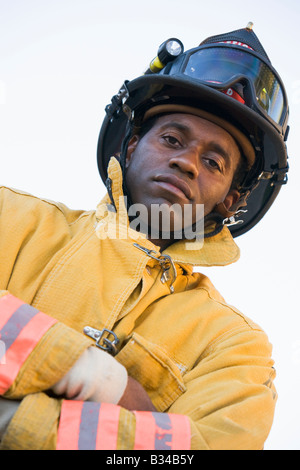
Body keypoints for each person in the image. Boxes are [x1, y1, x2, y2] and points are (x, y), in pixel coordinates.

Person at [0, 23, 289, 450]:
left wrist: (16, 423)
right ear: (132, 146)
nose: (187, 163)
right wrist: (102, 381)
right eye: (172, 138)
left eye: (213, 162)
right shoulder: (12, 217)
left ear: (230, 200)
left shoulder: (233, 348)